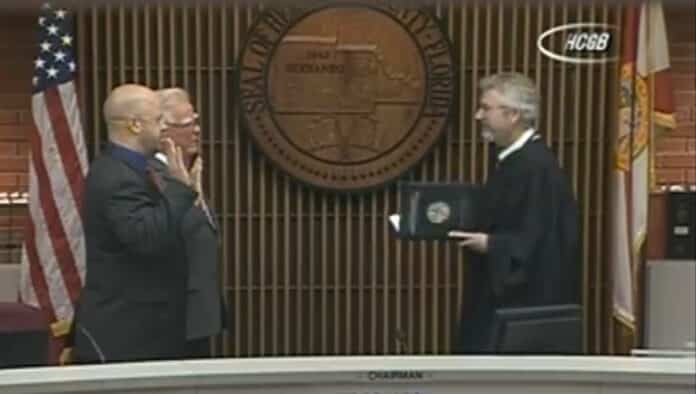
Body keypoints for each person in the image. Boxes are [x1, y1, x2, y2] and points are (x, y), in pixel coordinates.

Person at [448, 73, 580, 353]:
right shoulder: (514, 162)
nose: (477, 115)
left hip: (521, 316)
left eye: (486, 108)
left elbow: (545, 244)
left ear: (513, 115)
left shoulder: (536, 168)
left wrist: (491, 244)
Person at [73, 84, 197, 362]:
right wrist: (179, 188)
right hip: (124, 334)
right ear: (135, 125)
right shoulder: (115, 177)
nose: (165, 126)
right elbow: (147, 237)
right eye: (158, 120)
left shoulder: (135, 169)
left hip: (149, 330)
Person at [152, 87, 225, 358]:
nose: (196, 130)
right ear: (162, 131)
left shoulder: (184, 173)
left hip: (195, 314)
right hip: (173, 316)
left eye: (196, 121)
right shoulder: (153, 177)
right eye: (187, 124)